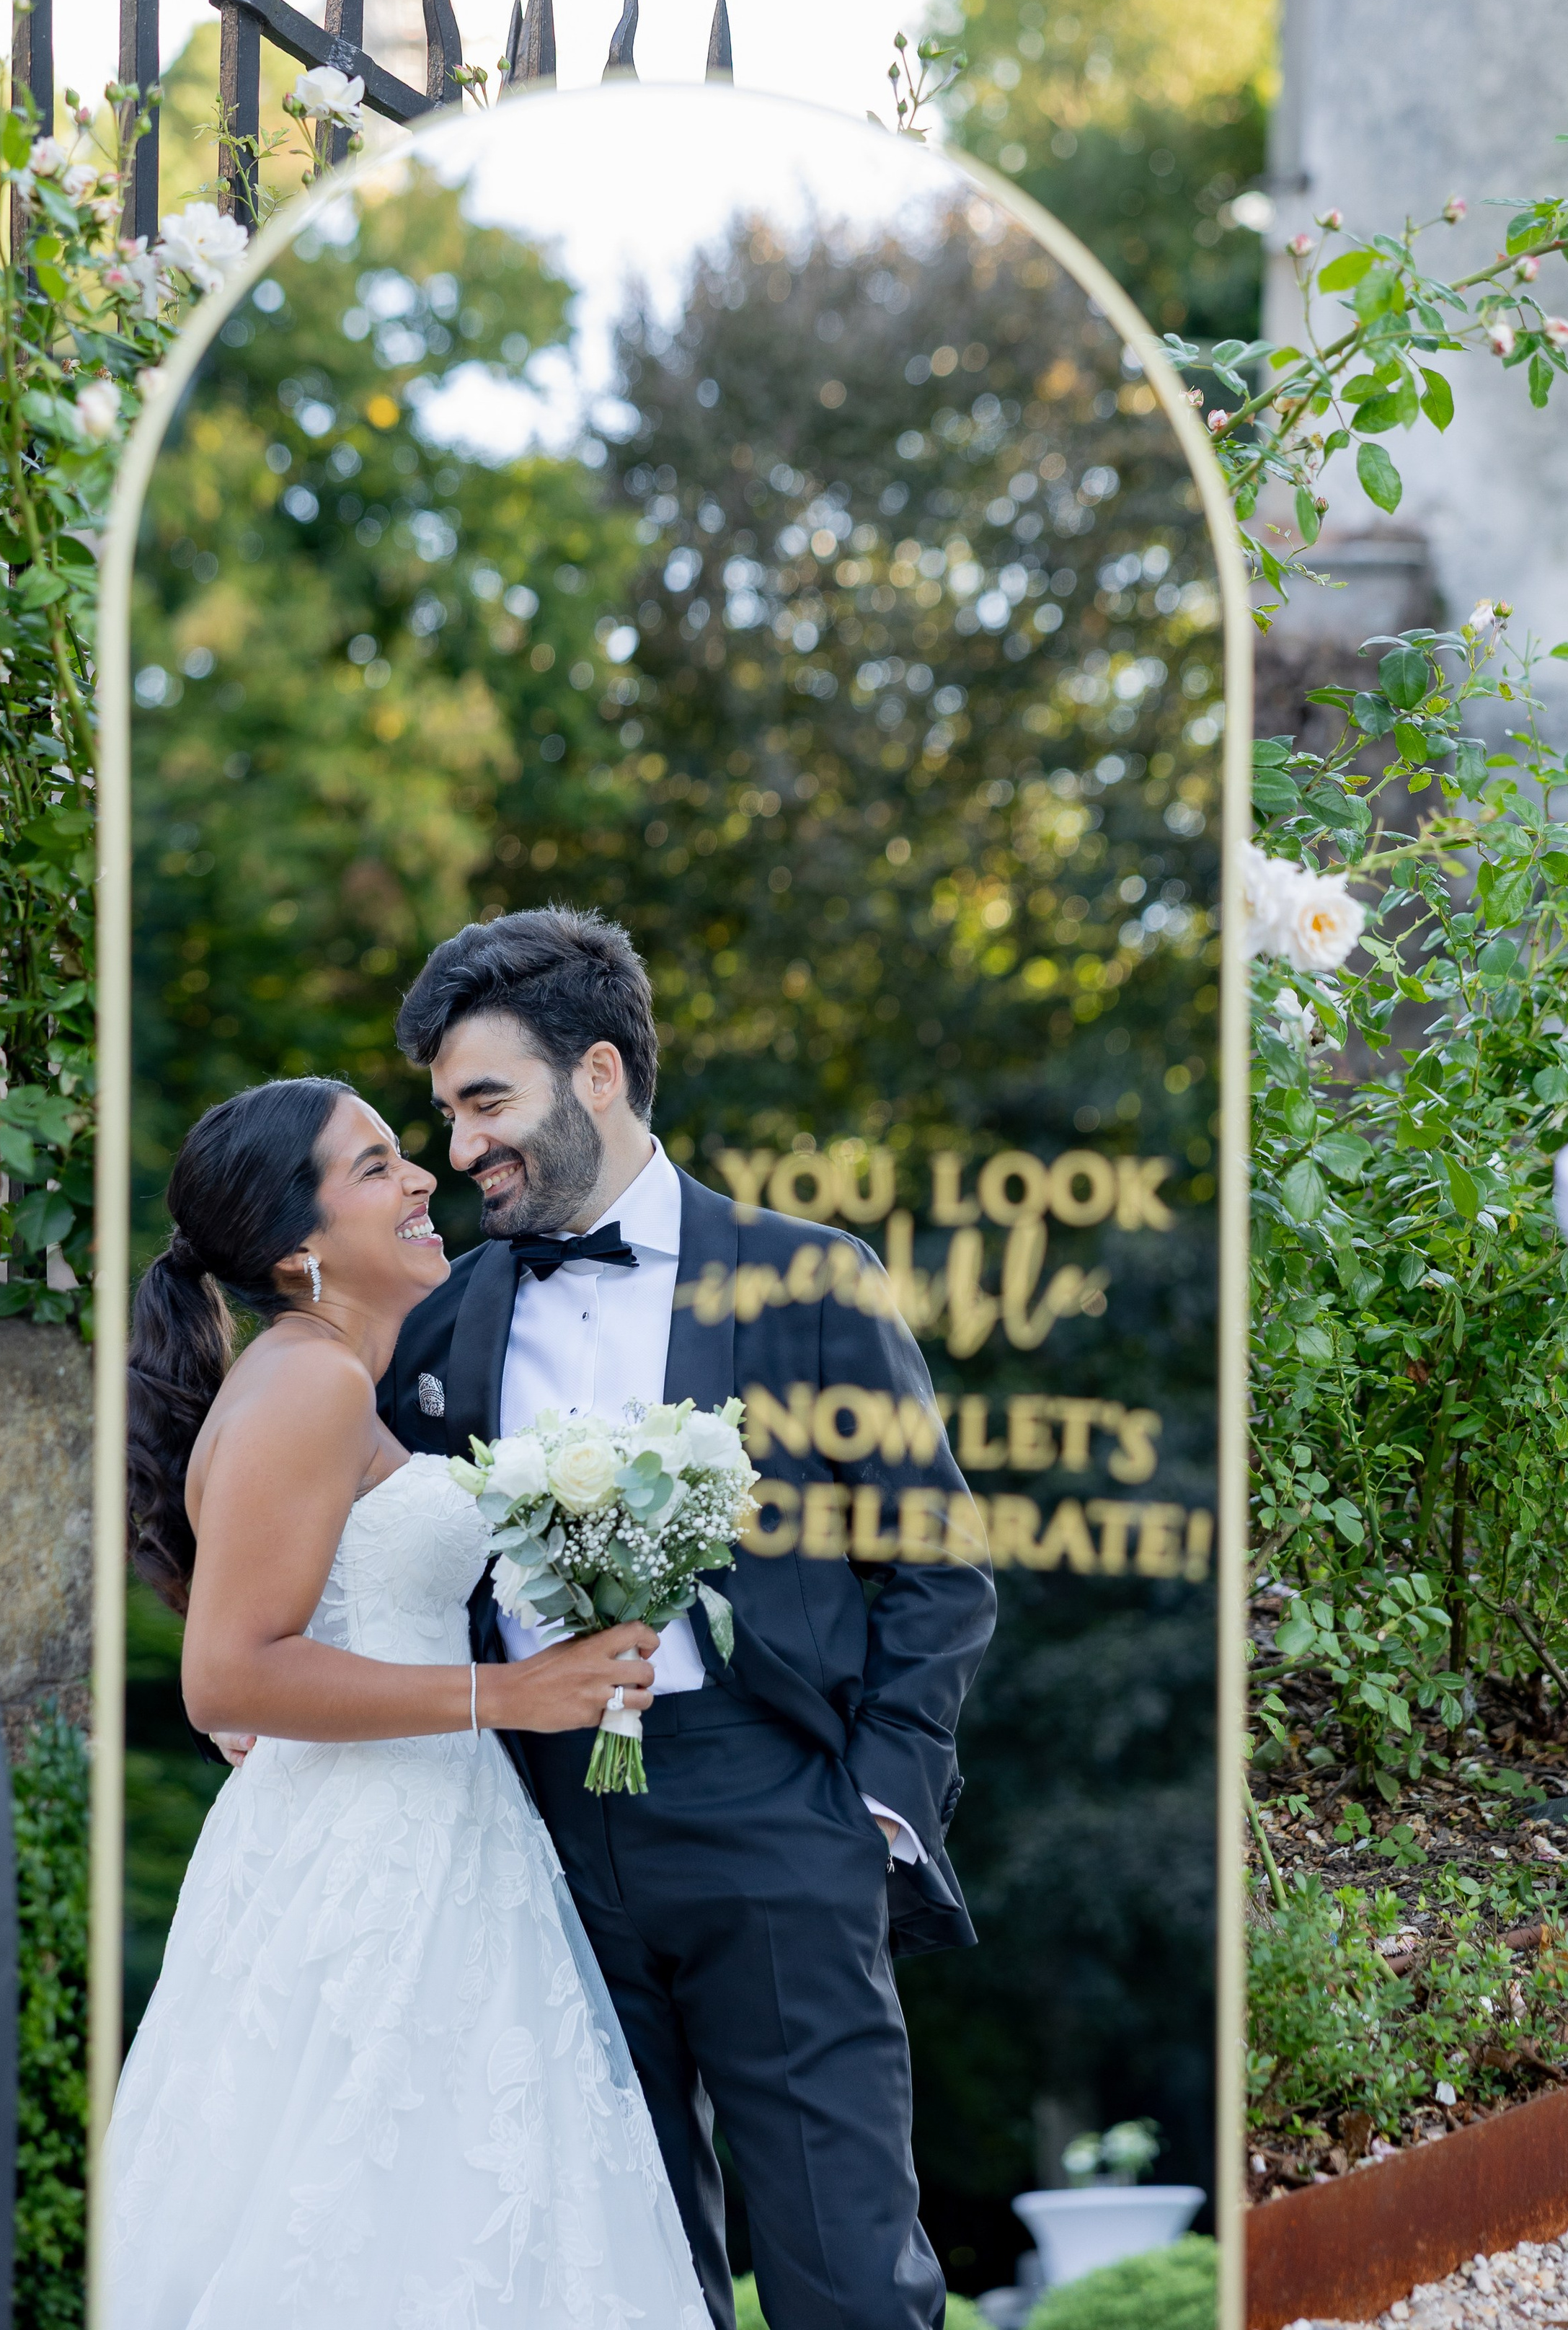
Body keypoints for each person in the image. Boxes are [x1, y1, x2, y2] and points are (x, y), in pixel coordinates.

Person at [379, 908, 998, 2330]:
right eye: (448, 1113)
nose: (461, 1148)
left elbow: (935, 1566)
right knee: (616, 2279)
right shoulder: (446, 1314)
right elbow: (359, 1527)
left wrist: (874, 1812)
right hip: (533, 1834)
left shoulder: (809, 1278)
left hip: (774, 1803)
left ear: (596, 1073)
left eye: (486, 1102)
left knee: (846, 2276)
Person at [107, 1073, 711, 2330]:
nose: (422, 1177)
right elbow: (227, 1673)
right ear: (296, 1245)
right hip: (368, 1868)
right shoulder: (307, 1381)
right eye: (376, 1166)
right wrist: (520, 1692)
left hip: (434, 1837)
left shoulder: (326, 1378)